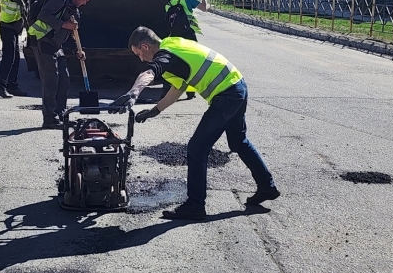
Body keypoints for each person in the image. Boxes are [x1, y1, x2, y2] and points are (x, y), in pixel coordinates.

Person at [110, 26, 279, 220]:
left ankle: (195, 206)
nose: (140, 59)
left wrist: (133, 92)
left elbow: (149, 72)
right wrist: (155, 111)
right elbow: (178, 88)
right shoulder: (174, 45)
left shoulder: (166, 55)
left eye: (138, 53)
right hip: (237, 85)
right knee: (238, 142)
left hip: (227, 95)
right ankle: (267, 187)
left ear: (145, 46)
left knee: (197, 149)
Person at [27, 0, 95, 129]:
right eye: (86, 0)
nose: (85, 4)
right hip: (42, 41)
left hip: (56, 46)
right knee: (51, 81)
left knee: (64, 80)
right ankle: (50, 119)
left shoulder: (73, 8)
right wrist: (64, 24)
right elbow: (43, 15)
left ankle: (61, 115)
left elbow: (71, 32)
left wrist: (78, 50)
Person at [0, 0, 40, 97]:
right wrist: (21, 2)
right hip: (7, 26)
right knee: (9, 57)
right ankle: (0, 86)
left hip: (15, 29)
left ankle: (12, 85)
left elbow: (25, 14)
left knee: (16, 59)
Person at [163, 0, 208, 100]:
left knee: (175, 62)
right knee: (193, 63)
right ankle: (191, 93)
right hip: (189, 35)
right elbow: (204, 7)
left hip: (175, 37)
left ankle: (167, 90)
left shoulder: (168, 5)